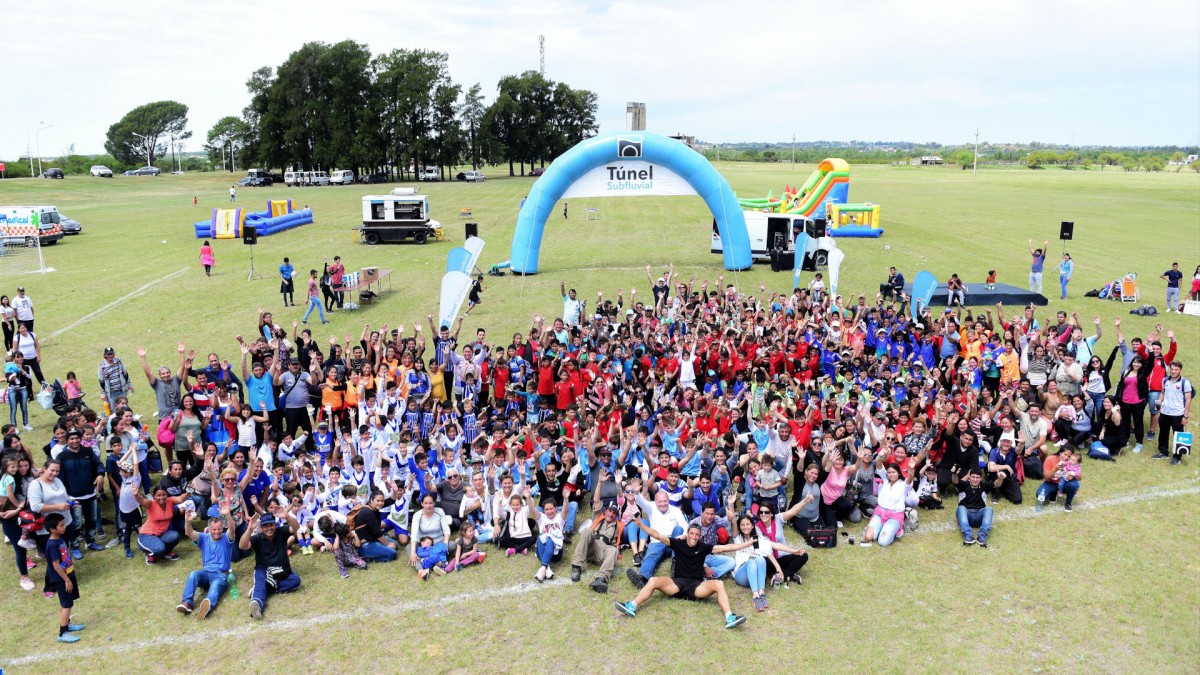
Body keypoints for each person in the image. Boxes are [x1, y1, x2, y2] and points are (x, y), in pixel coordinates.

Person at [613, 520, 753, 630]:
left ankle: (729, 618)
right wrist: (640, 524)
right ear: (688, 533)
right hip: (676, 584)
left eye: (697, 535)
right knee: (654, 580)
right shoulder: (678, 543)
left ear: (700, 536)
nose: (694, 537)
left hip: (697, 587)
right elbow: (657, 535)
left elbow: (725, 548)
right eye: (692, 534)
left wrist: (746, 545)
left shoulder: (703, 547)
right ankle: (632, 606)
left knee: (719, 584)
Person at [178, 502, 236, 620]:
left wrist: (228, 515)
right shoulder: (203, 538)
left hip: (221, 575)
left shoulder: (226, 538)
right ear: (209, 529)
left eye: (219, 529)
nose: (217, 532)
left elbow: (232, 529)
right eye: (214, 529)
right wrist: (188, 521)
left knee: (215, 587)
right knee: (194, 574)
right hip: (206, 573)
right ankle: (187, 603)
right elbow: (189, 532)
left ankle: (207, 606)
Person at [240, 512, 301, 619]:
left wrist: (287, 516)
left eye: (271, 525)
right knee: (260, 580)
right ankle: (257, 606)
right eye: (265, 526)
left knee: (296, 581)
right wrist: (249, 529)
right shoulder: (257, 538)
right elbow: (242, 546)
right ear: (261, 527)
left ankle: (264, 589)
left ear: (275, 525)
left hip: (283, 573)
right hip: (264, 570)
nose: (269, 528)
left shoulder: (281, 532)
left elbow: (296, 527)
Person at [44, 513, 86, 643]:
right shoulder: (52, 544)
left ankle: (67, 624)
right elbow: (55, 565)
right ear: (52, 529)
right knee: (67, 604)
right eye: (61, 525)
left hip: (68, 574)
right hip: (61, 578)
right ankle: (62, 633)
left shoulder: (60, 539)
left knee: (68, 601)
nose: (64, 527)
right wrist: (66, 580)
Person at [570, 483, 620, 593]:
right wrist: (601, 482)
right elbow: (596, 500)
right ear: (605, 510)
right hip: (592, 545)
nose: (611, 514)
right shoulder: (599, 517)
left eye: (614, 513)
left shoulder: (618, 526)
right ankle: (576, 567)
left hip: (603, 552)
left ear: (616, 515)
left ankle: (601, 579)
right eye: (610, 511)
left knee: (614, 550)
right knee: (588, 530)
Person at [0, 454, 35, 591]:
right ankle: (24, 577)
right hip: (10, 518)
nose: (21, 469)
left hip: (27, 515)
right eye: (18, 466)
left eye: (25, 465)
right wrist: (18, 507)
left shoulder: (32, 478)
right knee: (19, 547)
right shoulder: (8, 478)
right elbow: (7, 498)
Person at [134, 482, 188, 563]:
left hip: (161, 534)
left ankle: (166, 553)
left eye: (164, 495)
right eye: (158, 495)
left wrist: (189, 492)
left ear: (167, 494)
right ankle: (150, 555)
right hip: (146, 535)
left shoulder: (170, 501)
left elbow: (180, 499)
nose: (161, 497)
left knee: (175, 536)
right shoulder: (151, 504)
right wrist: (136, 495)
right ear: (154, 496)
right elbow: (142, 501)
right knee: (160, 548)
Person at [1155, 361, 1192, 465]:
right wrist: (1158, 405)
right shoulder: (1165, 380)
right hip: (1165, 412)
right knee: (1163, 433)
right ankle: (1163, 452)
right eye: (1172, 369)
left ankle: (1177, 457)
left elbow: (1188, 400)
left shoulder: (1185, 382)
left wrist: (1185, 416)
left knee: (1177, 435)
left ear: (1180, 370)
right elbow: (1162, 393)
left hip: (1178, 414)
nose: (1174, 371)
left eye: (1176, 369)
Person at [952, 468, 994, 546]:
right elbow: (955, 481)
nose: (975, 479)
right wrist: (954, 474)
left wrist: (1000, 478)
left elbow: (996, 484)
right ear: (969, 477)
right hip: (965, 515)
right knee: (961, 508)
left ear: (981, 479)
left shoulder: (984, 486)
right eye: (973, 477)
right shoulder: (964, 485)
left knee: (989, 509)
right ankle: (968, 536)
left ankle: (982, 536)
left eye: (977, 477)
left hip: (978, 516)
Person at [97, 347, 133, 412]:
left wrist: (129, 385)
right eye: (108, 354)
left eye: (112, 354)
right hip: (111, 393)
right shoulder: (101, 366)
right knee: (114, 410)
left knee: (125, 407)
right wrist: (103, 394)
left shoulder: (118, 361)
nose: (110, 356)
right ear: (105, 355)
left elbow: (125, 373)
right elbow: (101, 381)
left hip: (122, 390)